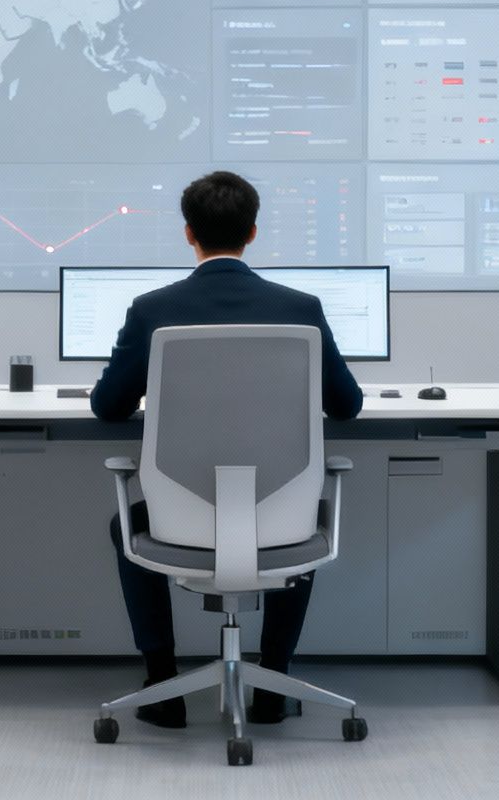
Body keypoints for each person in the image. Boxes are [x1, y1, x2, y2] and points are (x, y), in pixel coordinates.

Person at [91, 171, 363, 728]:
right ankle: (273, 685)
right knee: (303, 513)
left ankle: (162, 685)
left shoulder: (151, 309)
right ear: (254, 232)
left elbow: (107, 408)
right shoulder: (301, 308)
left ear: (189, 234)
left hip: (181, 524)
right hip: (277, 524)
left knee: (128, 525)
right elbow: (347, 406)